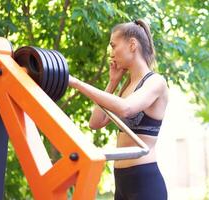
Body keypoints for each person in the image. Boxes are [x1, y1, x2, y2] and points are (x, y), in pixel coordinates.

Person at [68, 19, 168, 200]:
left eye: (114, 46)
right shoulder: (126, 85)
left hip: (144, 181)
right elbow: (95, 123)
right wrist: (112, 82)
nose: (111, 53)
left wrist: (76, 83)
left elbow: (126, 109)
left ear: (132, 45)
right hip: (122, 182)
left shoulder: (155, 82)